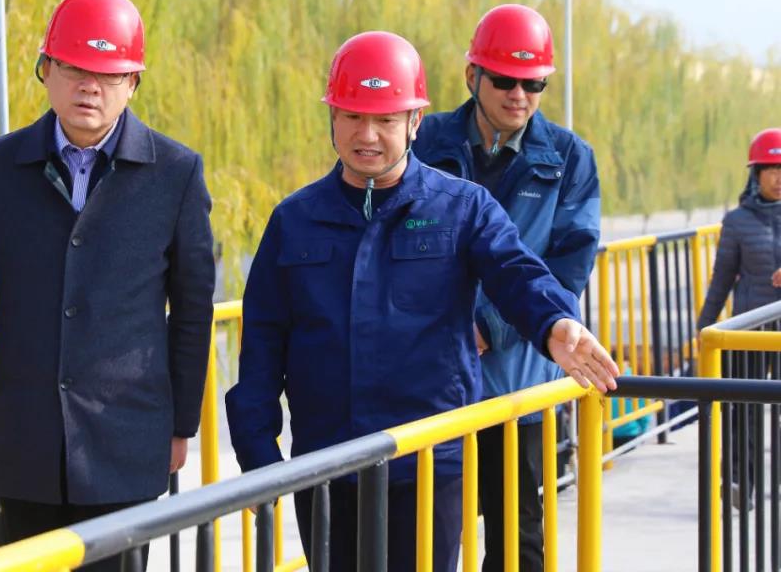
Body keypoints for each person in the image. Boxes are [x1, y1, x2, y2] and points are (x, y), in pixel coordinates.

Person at [225, 31, 618, 572]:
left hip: (428, 461)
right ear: (332, 116)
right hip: (326, 464)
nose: (367, 135)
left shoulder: (462, 208)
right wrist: (258, 452)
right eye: (352, 116)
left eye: (386, 120)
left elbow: (516, 272)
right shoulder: (295, 220)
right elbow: (264, 340)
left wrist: (555, 323)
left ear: (415, 122)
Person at [0, 0, 215, 569]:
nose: (89, 87)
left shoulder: (174, 174)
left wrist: (180, 426)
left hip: (125, 445)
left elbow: (192, 310)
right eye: (74, 69)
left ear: (133, 82)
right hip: (25, 445)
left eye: (108, 74)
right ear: (45, 69)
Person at [411, 3, 601, 572]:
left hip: (517, 388)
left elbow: (567, 271)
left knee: (517, 539)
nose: (519, 94)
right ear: (472, 75)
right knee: (423, 533)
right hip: (429, 383)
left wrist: (488, 327)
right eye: (504, 80)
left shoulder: (569, 159)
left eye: (533, 83)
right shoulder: (423, 141)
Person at [696, 127, 781, 509]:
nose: (778, 178)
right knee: (742, 410)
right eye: (771, 170)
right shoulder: (737, 221)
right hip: (747, 331)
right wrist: (705, 327)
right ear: (756, 174)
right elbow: (722, 278)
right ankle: (739, 483)